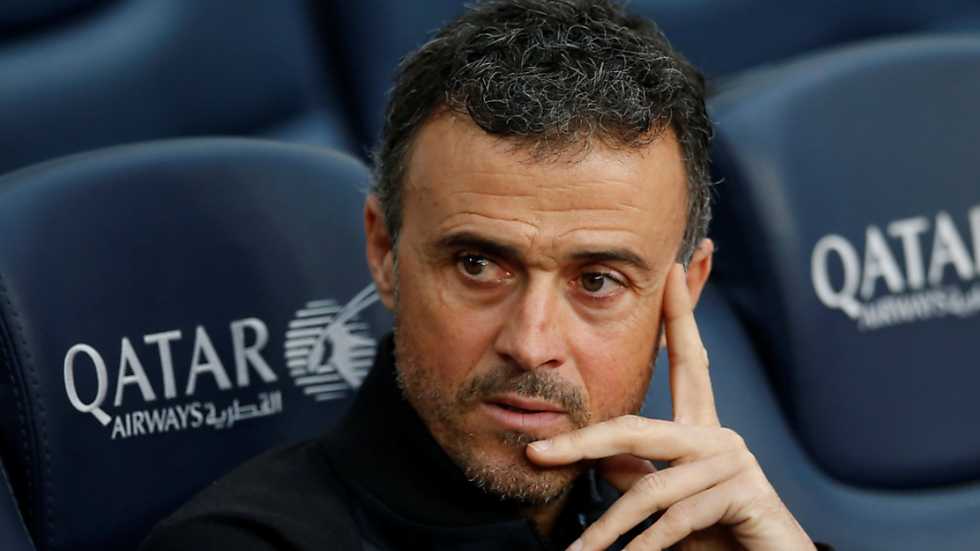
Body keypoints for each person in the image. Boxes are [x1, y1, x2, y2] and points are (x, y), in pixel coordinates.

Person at [142, 1, 828, 549]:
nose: (531, 344)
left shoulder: (710, 531)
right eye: (478, 265)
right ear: (385, 252)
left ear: (687, 287)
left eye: (597, 281)